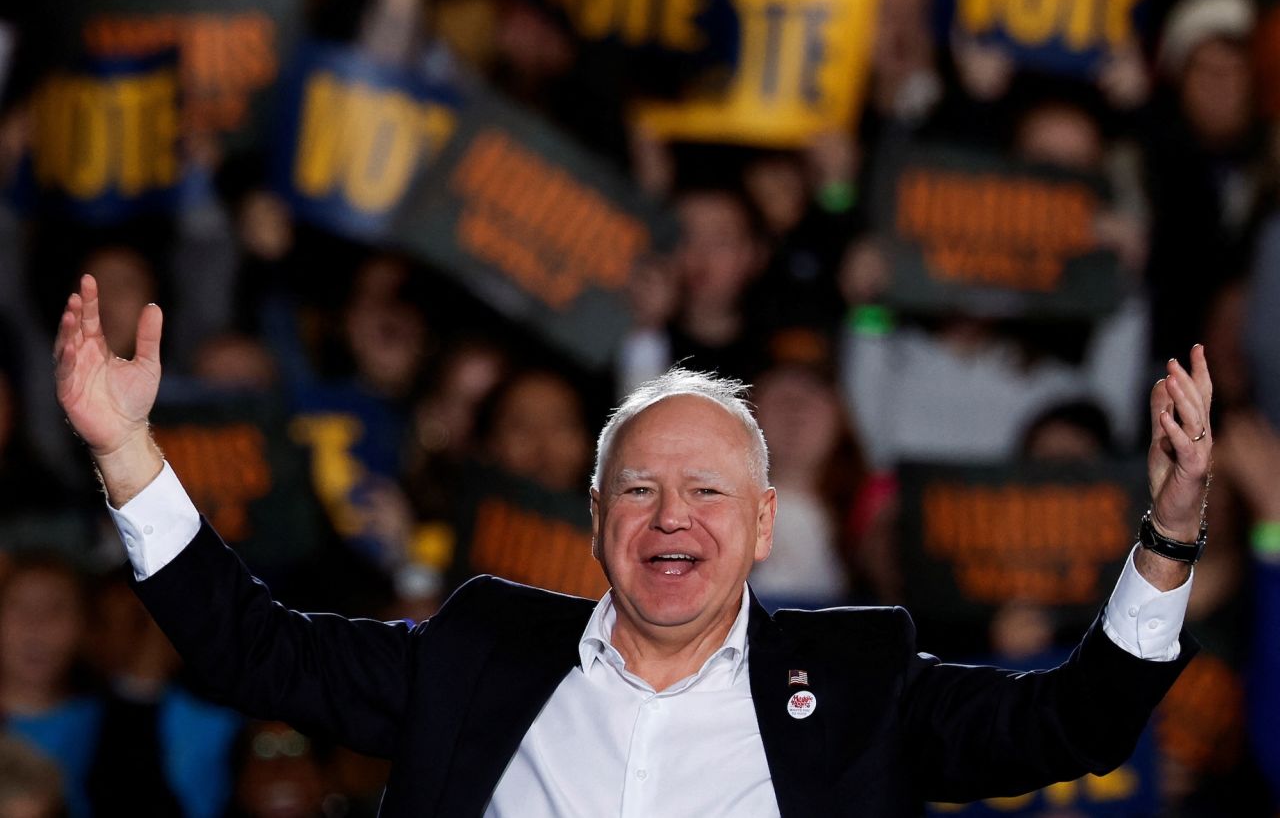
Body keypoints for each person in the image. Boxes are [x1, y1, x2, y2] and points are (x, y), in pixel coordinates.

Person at [53, 274, 1212, 817]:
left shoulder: (859, 682)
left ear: (761, 526)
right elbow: (255, 651)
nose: (671, 518)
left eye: (707, 491)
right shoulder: (481, 649)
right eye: (640, 490)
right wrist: (126, 455)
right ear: (596, 519)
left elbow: (1076, 723)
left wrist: (1166, 532)